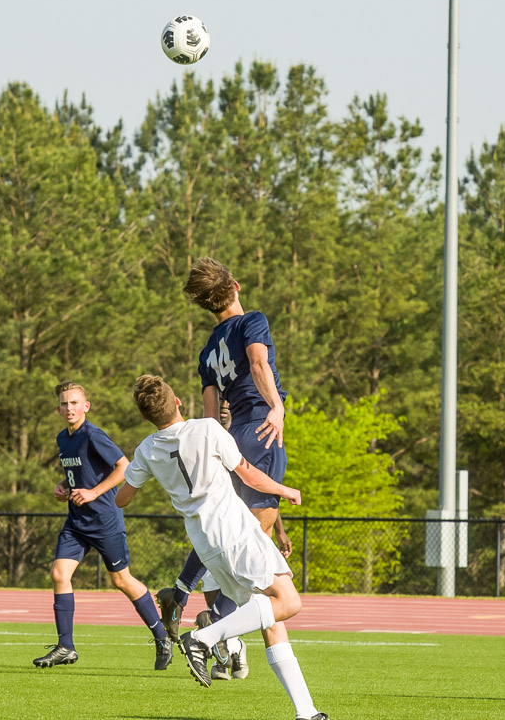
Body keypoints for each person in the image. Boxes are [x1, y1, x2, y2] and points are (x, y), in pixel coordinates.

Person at [119, 375, 327, 720]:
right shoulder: (207, 429)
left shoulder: (147, 449)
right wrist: (285, 489)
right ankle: (203, 638)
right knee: (288, 602)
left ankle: (306, 712)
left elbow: (123, 499)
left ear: (146, 418)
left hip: (205, 544)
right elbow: (247, 473)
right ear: (179, 402)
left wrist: (146, 471)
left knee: (270, 620)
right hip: (235, 531)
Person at [155, 257, 292, 679]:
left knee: (234, 538)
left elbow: (212, 416)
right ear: (234, 286)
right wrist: (277, 406)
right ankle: (214, 630)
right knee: (258, 559)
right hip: (260, 429)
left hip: (232, 437)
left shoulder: (205, 352)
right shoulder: (253, 320)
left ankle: (202, 614)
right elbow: (257, 363)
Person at [32, 381, 171, 670]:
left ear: (86, 406)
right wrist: (62, 486)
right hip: (76, 521)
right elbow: (79, 474)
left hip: (104, 520)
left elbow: (124, 466)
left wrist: (94, 493)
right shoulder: (63, 439)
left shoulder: (94, 435)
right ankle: (65, 647)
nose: (69, 408)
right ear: (58, 409)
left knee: (121, 580)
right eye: (64, 403)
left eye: (74, 403)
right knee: (59, 573)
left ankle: (162, 636)